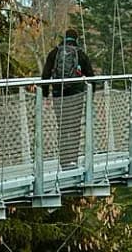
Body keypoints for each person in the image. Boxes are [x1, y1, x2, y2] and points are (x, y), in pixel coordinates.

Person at [41, 28, 96, 166]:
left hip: (58, 95)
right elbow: (91, 77)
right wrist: (91, 96)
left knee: (62, 127)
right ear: (76, 39)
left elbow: (45, 75)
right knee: (74, 127)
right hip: (76, 96)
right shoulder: (80, 54)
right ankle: (73, 159)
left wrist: (45, 95)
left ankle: (63, 161)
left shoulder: (54, 53)